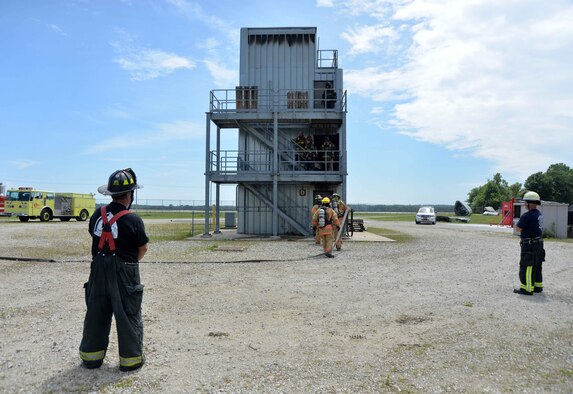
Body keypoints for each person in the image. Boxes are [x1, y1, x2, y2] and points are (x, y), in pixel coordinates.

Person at [79, 168, 149, 371]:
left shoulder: (96, 216)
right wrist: (129, 263)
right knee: (128, 314)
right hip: (124, 272)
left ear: (111, 194)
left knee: (96, 313)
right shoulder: (133, 219)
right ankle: (131, 360)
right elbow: (142, 248)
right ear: (129, 195)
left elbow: (95, 237)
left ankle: (91, 358)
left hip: (98, 270)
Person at [514, 191, 545, 296]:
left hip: (529, 244)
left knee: (527, 266)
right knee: (537, 265)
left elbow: (518, 228)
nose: (524, 204)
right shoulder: (538, 214)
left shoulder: (527, 215)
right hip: (539, 243)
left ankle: (527, 288)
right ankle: (537, 286)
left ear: (529, 202)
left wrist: (517, 225)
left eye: (525, 202)